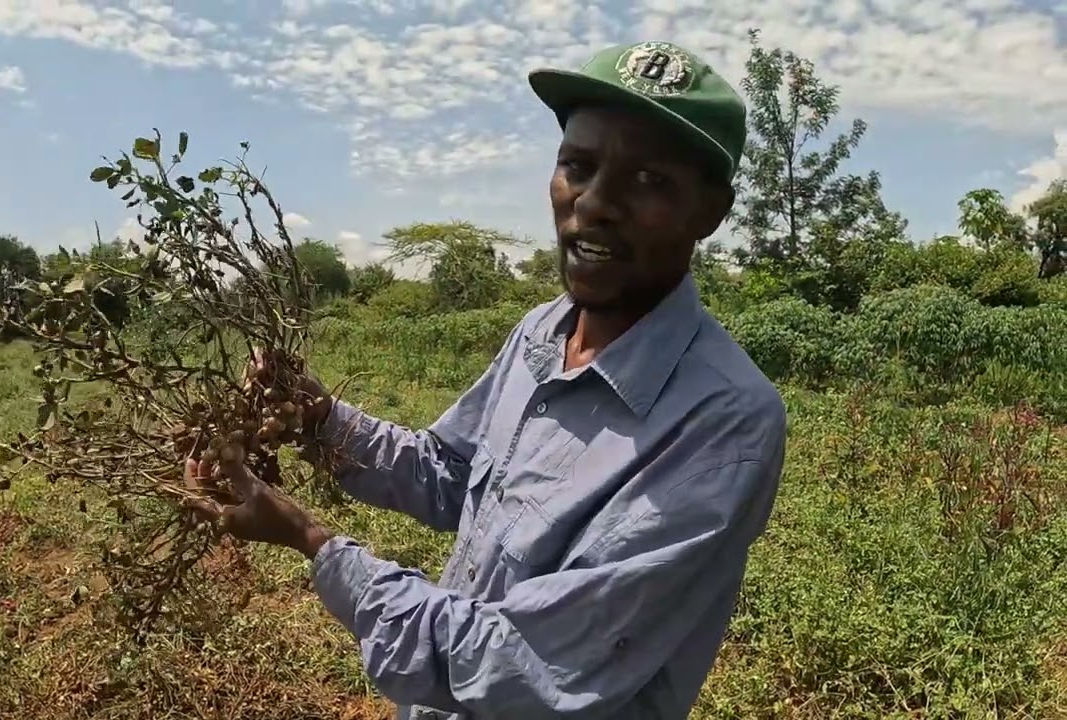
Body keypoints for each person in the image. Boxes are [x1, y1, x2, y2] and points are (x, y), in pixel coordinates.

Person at [184, 40, 788, 720]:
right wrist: (321, 420)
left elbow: (527, 666)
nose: (594, 204)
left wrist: (313, 541)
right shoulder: (542, 331)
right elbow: (449, 474)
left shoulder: (724, 420)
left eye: (649, 180)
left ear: (711, 213)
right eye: (578, 167)